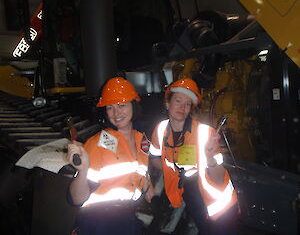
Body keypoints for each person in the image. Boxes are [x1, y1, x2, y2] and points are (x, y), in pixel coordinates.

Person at [149, 78, 238, 235]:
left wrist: (210, 159)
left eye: (188, 104)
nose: (182, 107)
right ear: (167, 104)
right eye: (178, 101)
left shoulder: (205, 133)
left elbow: (219, 177)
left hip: (218, 200)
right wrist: (173, 171)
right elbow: (155, 158)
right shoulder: (160, 130)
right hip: (188, 189)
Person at [67, 77, 155, 235]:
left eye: (122, 105)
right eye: (110, 107)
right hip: (99, 221)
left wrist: (148, 184)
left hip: (127, 217)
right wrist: (82, 170)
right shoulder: (98, 143)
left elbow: (136, 169)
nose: (116, 113)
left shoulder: (141, 139)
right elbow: (76, 199)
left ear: (133, 105)